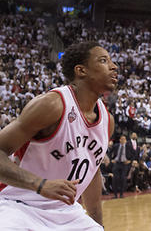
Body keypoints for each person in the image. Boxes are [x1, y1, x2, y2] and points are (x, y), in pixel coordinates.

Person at [0, 41, 116, 230]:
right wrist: (40, 184)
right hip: (19, 206)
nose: (114, 66)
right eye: (104, 61)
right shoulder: (53, 105)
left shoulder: (107, 121)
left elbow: (92, 170)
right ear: (81, 71)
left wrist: (97, 225)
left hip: (67, 212)